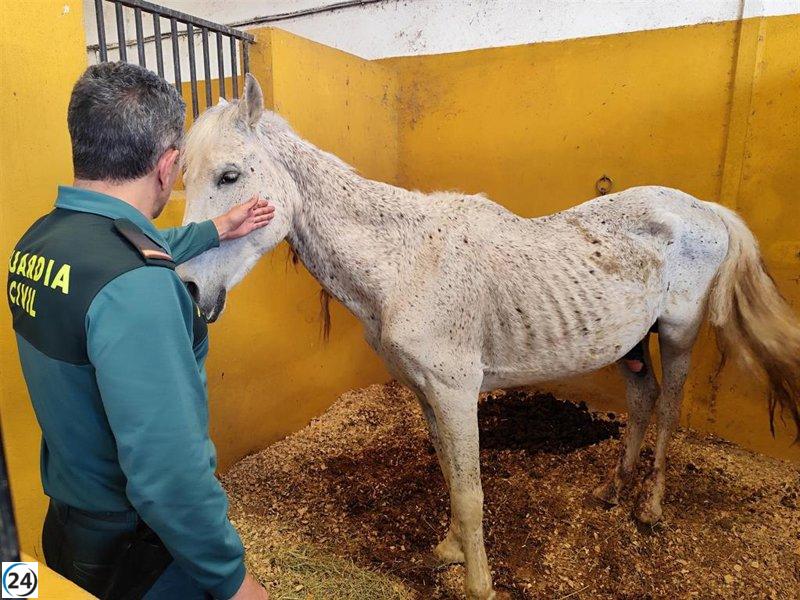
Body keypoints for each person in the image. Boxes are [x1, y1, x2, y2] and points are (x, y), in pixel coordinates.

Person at [6, 62, 272, 599]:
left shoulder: (40, 242)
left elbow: (119, 259)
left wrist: (216, 228)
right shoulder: (139, 290)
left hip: (66, 531)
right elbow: (169, 479)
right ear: (168, 165)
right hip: (137, 557)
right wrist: (234, 581)